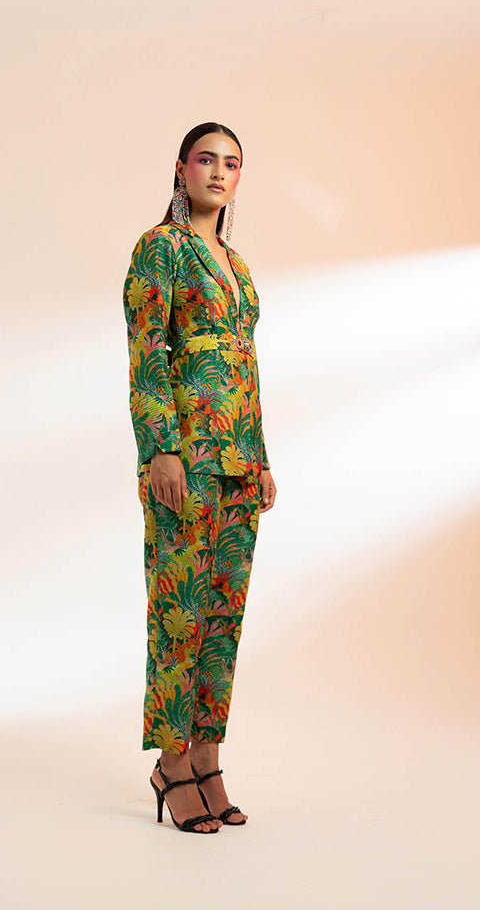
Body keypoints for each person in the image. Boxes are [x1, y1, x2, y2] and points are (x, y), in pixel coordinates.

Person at [123, 122, 277, 833]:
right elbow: (148, 348)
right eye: (206, 159)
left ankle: (209, 760)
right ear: (182, 168)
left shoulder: (236, 265)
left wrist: (261, 455)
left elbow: (245, 362)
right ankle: (173, 764)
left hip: (238, 460)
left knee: (222, 619)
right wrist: (160, 447)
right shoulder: (161, 248)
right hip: (185, 457)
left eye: (231, 163)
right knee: (179, 614)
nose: (219, 172)